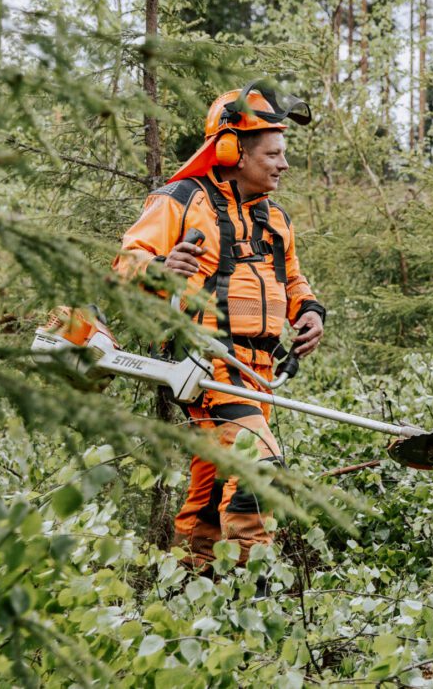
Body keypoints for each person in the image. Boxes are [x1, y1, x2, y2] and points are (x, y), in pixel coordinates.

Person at [115, 81, 326, 573]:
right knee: (260, 469)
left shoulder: (275, 218)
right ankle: (254, 596)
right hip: (206, 366)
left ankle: (192, 588)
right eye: (273, 153)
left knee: (210, 497)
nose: (283, 164)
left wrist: (310, 311)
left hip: (258, 376)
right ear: (232, 149)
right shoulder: (182, 201)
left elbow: (292, 278)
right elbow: (123, 265)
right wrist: (162, 269)